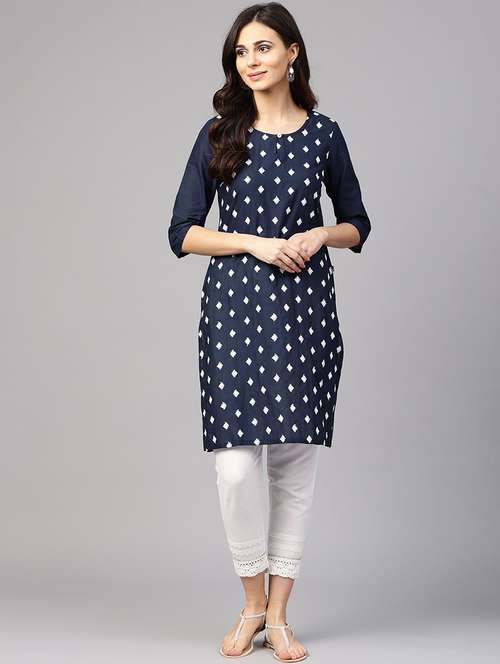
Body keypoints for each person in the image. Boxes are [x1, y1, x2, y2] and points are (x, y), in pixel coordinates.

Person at [168, 3, 371, 660]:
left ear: (292, 53)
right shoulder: (218, 134)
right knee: (235, 469)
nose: (251, 61)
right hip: (234, 308)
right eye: (241, 51)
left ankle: (278, 615)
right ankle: (250, 602)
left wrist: (320, 233)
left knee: (292, 467)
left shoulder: (324, 135)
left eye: (262, 47)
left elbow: (358, 223)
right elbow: (182, 232)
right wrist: (254, 243)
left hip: (303, 309)